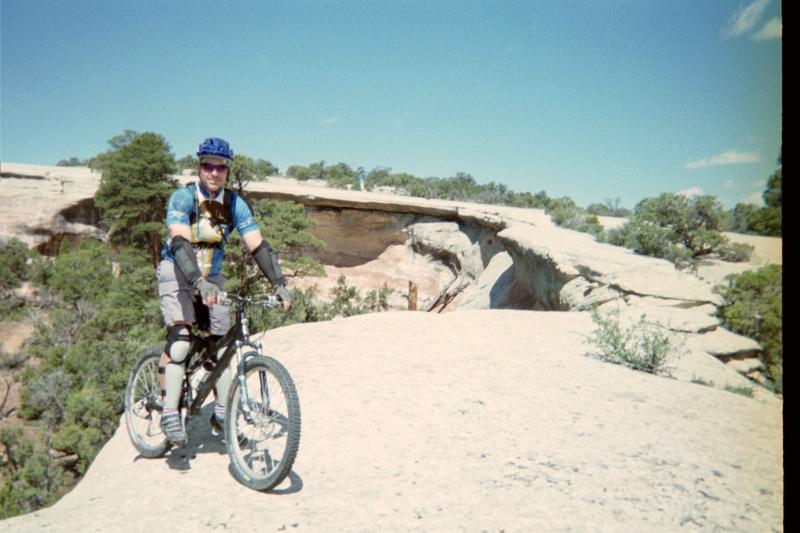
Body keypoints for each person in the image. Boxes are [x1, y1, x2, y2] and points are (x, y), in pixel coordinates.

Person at [156, 137, 292, 445]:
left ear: (227, 170)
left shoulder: (234, 204)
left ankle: (221, 412)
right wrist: (197, 282)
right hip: (177, 271)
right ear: (199, 166)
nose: (214, 172)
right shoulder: (183, 198)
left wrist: (279, 284)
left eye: (221, 167)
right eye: (208, 165)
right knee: (179, 342)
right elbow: (179, 243)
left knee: (221, 345)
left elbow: (257, 245)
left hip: (212, 275)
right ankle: (168, 413)